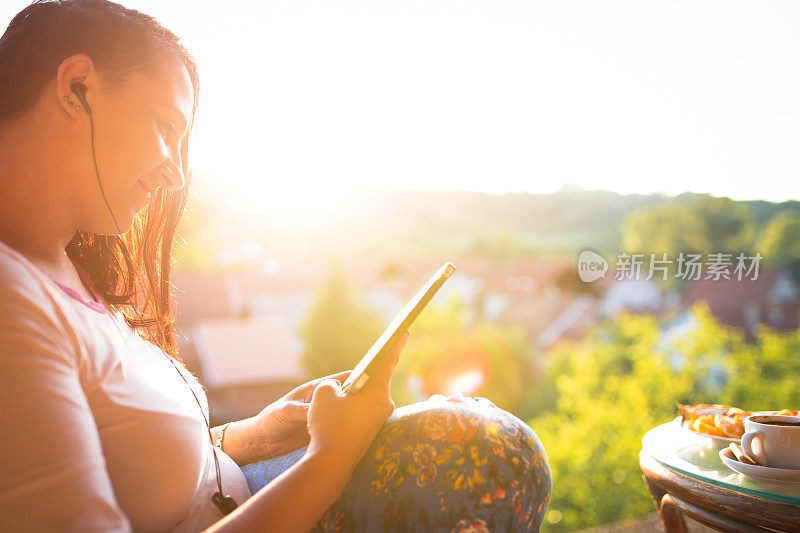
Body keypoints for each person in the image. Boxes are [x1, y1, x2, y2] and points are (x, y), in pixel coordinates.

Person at [0, 1, 551, 531]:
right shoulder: (11, 298)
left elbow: (128, 453)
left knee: (476, 438)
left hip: (236, 482)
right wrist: (330, 459)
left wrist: (256, 435)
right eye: (166, 125)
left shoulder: (70, 270)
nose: (173, 175)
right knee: (494, 453)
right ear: (76, 88)